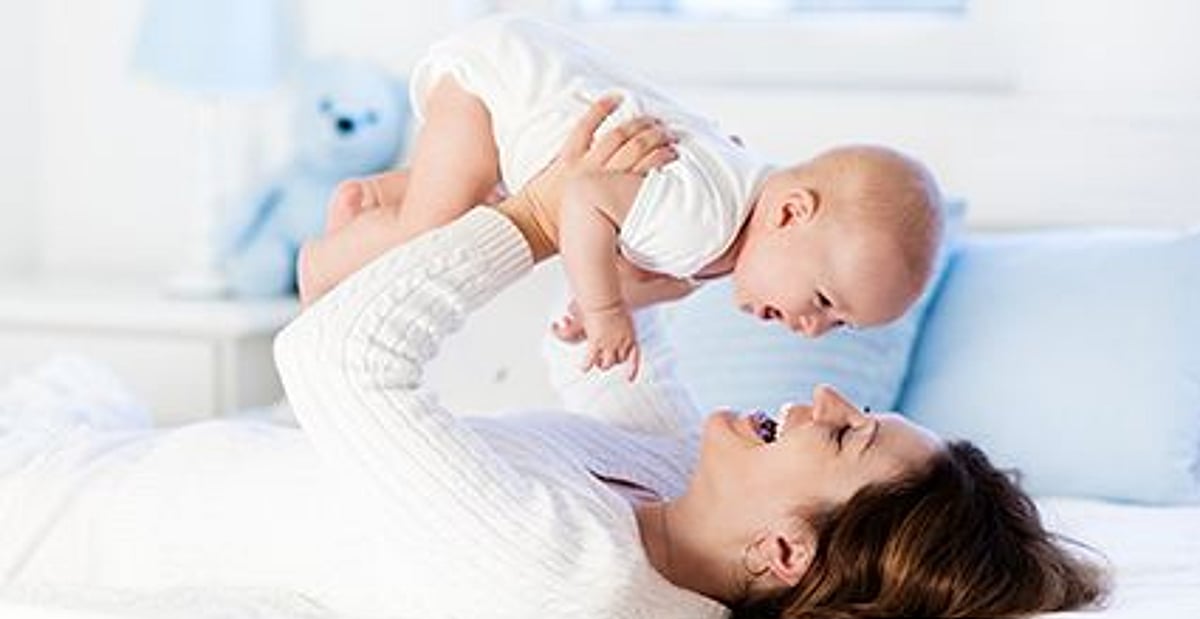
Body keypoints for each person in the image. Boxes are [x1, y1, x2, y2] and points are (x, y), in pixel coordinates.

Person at [0, 103, 1103, 619]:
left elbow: (332, 358)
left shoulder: (575, 568)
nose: (819, 389)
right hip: (120, 455)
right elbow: (602, 349)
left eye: (847, 431)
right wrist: (668, 249)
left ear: (783, 549)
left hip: (46, 509)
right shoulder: (673, 492)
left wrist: (535, 216)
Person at [298, 14, 944, 378]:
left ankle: (376, 198)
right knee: (434, 235)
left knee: (475, 202)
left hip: (522, 79)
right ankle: (323, 263)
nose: (811, 329)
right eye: (825, 302)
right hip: (493, 84)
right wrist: (607, 312)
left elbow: (637, 263)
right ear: (791, 212)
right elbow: (583, 200)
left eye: (835, 324)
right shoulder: (705, 220)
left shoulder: (726, 229)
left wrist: (599, 296)